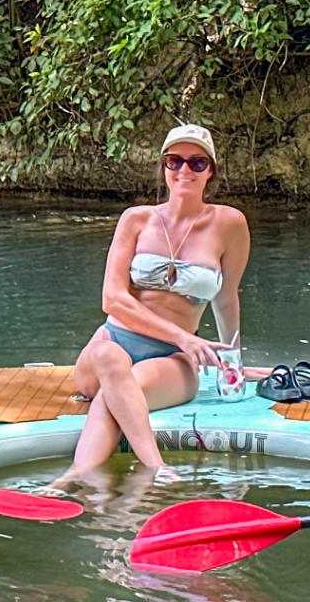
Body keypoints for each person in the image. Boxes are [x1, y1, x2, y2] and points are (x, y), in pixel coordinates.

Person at [57, 124, 250, 487]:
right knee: (112, 361)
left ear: (211, 170)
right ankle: (152, 470)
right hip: (115, 342)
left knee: (124, 388)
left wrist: (234, 363)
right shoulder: (136, 219)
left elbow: (226, 297)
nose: (183, 171)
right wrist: (185, 337)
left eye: (196, 163)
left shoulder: (230, 223)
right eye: (174, 161)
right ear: (163, 167)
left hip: (173, 359)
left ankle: (78, 481)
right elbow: (112, 299)